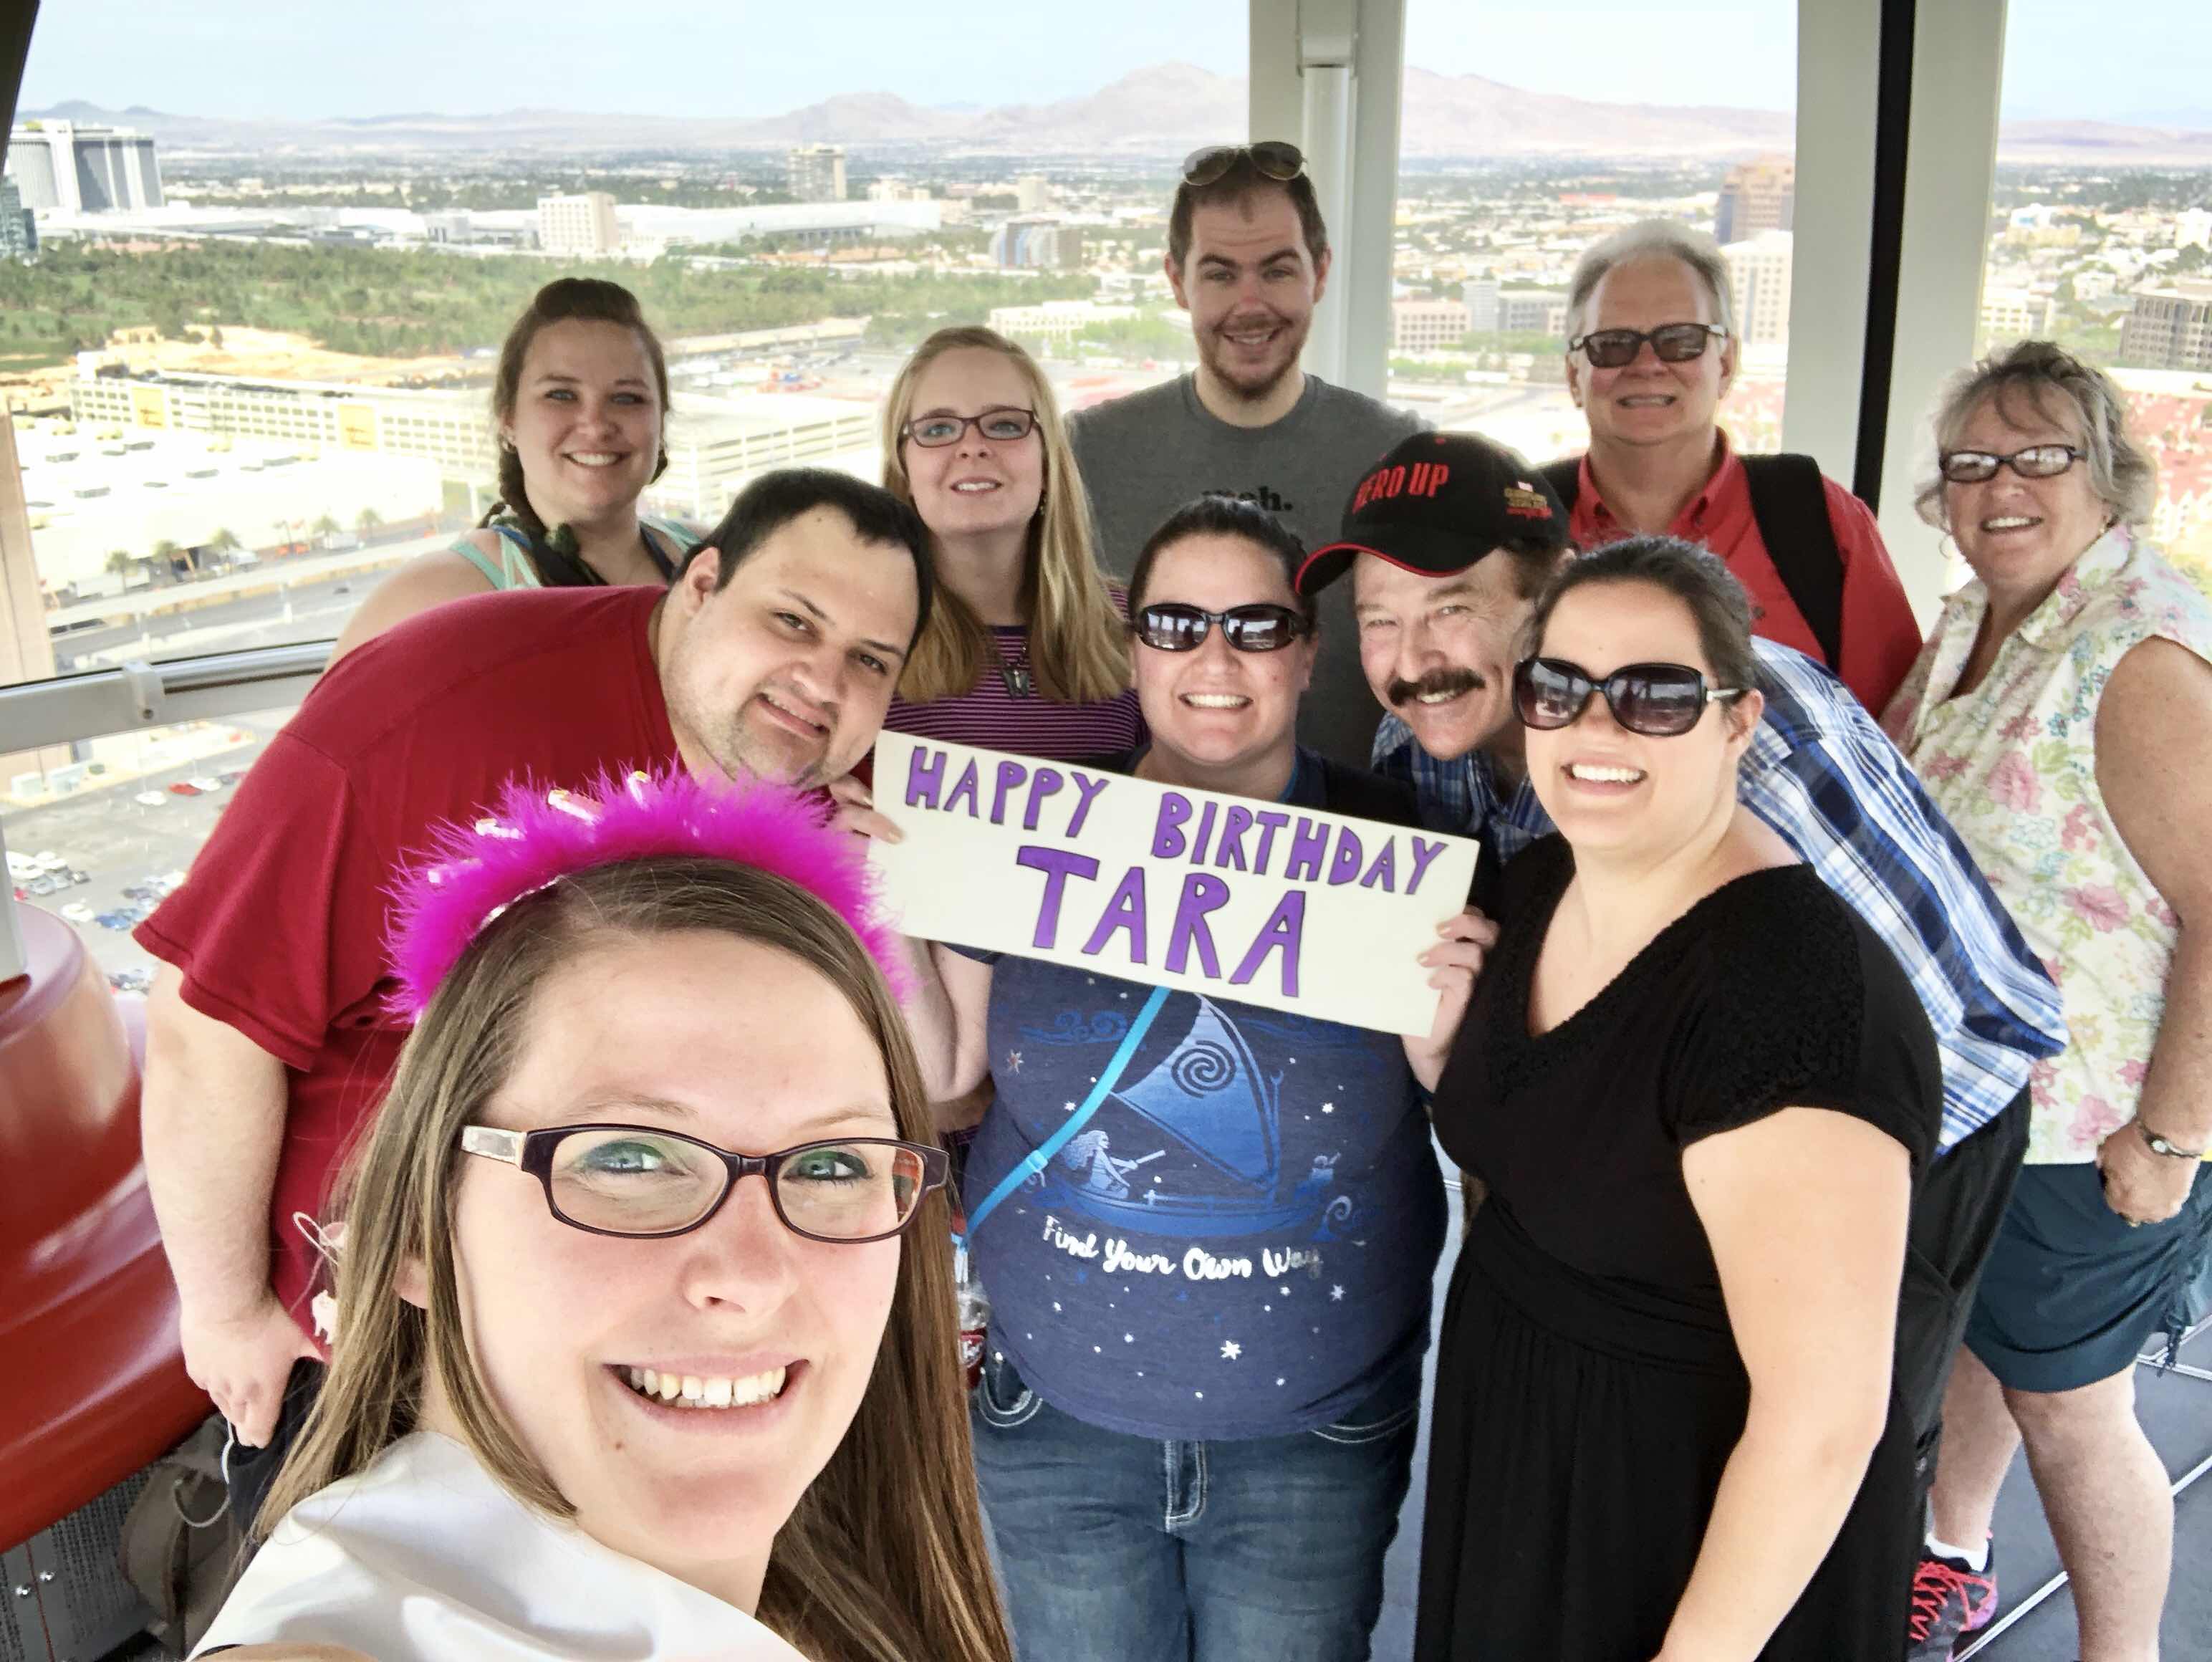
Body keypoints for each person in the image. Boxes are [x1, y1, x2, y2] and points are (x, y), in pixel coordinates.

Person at [1307, 428, 2064, 1605]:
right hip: (1653, 1148)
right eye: (1378, 621)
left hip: (1908, 1124)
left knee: (1808, 1481)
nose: (1413, 660)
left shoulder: (1741, 732)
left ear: (1548, 597)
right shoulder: (1421, 751)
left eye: (1452, 610)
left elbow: (1850, 1024)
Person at [135, 467, 936, 1532]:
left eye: (869, 660)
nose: (821, 680)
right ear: (700, 584)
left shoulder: (843, 800)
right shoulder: (438, 702)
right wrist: (228, 1311)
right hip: (383, 1346)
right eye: (793, 620)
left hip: (666, 1337)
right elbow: (209, 1020)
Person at [193, 770, 1012, 1661]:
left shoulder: (849, 1589)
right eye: (628, 1159)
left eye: (830, 1164)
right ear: (420, 1229)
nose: (750, 1277)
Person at [925, 496, 1448, 1661]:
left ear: (1307, 653)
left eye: (1257, 627)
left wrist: (1448, 1036)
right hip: (1054, 1418)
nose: (1214, 659)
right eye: (1174, 624)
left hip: (1312, 1435)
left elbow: (1479, 1126)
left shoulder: (1406, 849)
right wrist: (886, 902)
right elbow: (946, 1072)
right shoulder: (1027, 833)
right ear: (1132, 650)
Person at [1413, 535, 1942, 1659]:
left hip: (1689, 1538)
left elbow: (1821, 1425)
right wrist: (1442, 1058)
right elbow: (1559, 1145)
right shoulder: (1541, 881)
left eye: (1653, 696)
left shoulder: (1792, 997)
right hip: (1529, 1479)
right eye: (1559, 688)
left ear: (1740, 721)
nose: (1595, 728)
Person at [1882, 341, 2212, 1662]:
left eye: (2039, 456)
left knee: (2073, 1409)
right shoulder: (1977, 617)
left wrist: (2171, 1136)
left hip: (2093, 1125)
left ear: (2108, 477)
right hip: (1982, 1104)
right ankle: (1952, 1555)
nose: (1999, 486)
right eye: (1971, 462)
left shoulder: (2133, 653)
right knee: (1983, 1344)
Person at [1067, 142, 1423, 766]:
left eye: (1278, 271)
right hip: (1134, 821)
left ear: (1321, 273)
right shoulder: (1081, 457)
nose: (1250, 304)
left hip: (1360, 824)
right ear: (1177, 281)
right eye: (1220, 274)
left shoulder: (1402, 460)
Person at [1542, 220, 1921, 712]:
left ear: (1726, 363)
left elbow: (1891, 727)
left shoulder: (1820, 524)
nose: (1647, 364)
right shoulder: (1521, 529)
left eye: (1681, 340)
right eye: (1612, 344)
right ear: (1574, 375)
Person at [332, 278, 699, 661]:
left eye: (627, 398)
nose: (595, 426)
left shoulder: (713, 559)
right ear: (508, 419)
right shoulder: (432, 595)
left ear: (661, 421)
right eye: (561, 395)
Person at [880, 325, 1141, 760]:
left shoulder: (1144, 629)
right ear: (904, 470)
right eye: (938, 429)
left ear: (1048, 461)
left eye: (1004, 424)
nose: (972, 447)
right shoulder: (858, 637)